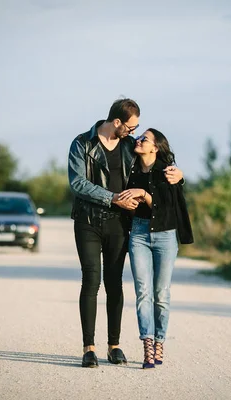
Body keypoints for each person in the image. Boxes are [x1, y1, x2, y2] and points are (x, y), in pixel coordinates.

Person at [68, 99, 184, 368]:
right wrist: (113, 198)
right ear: (116, 122)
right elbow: (77, 183)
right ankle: (89, 348)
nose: (135, 132)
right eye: (131, 127)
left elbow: (158, 162)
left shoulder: (129, 147)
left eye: (138, 128)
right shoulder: (82, 144)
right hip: (87, 221)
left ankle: (114, 346)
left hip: (120, 223)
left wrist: (180, 175)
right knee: (91, 281)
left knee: (114, 283)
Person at [117, 128, 193, 369]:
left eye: (145, 139)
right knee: (143, 292)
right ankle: (147, 344)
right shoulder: (130, 170)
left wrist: (144, 194)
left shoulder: (167, 172)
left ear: (156, 147)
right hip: (138, 233)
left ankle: (160, 341)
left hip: (165, 236)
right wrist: (128, 202)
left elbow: (165, 208)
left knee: (161, 294)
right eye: (139, 138)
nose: (139, 141)